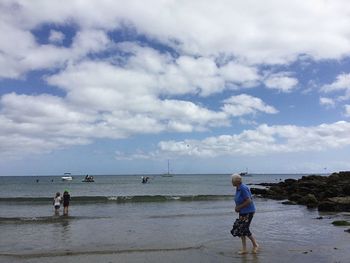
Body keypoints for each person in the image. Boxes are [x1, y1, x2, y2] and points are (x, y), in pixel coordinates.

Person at [231, 173, 259, 254]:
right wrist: (238, 208)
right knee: (240, 229)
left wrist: (238, 207)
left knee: (244, 229)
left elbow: (249, 201)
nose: (231, 182)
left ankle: (255, 245)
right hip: (243, 212)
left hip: (248, 212)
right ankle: (244, 249)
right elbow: (240, 200)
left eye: (232, 180)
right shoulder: (238, 188)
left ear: (236, 181)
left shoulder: (243, 188)